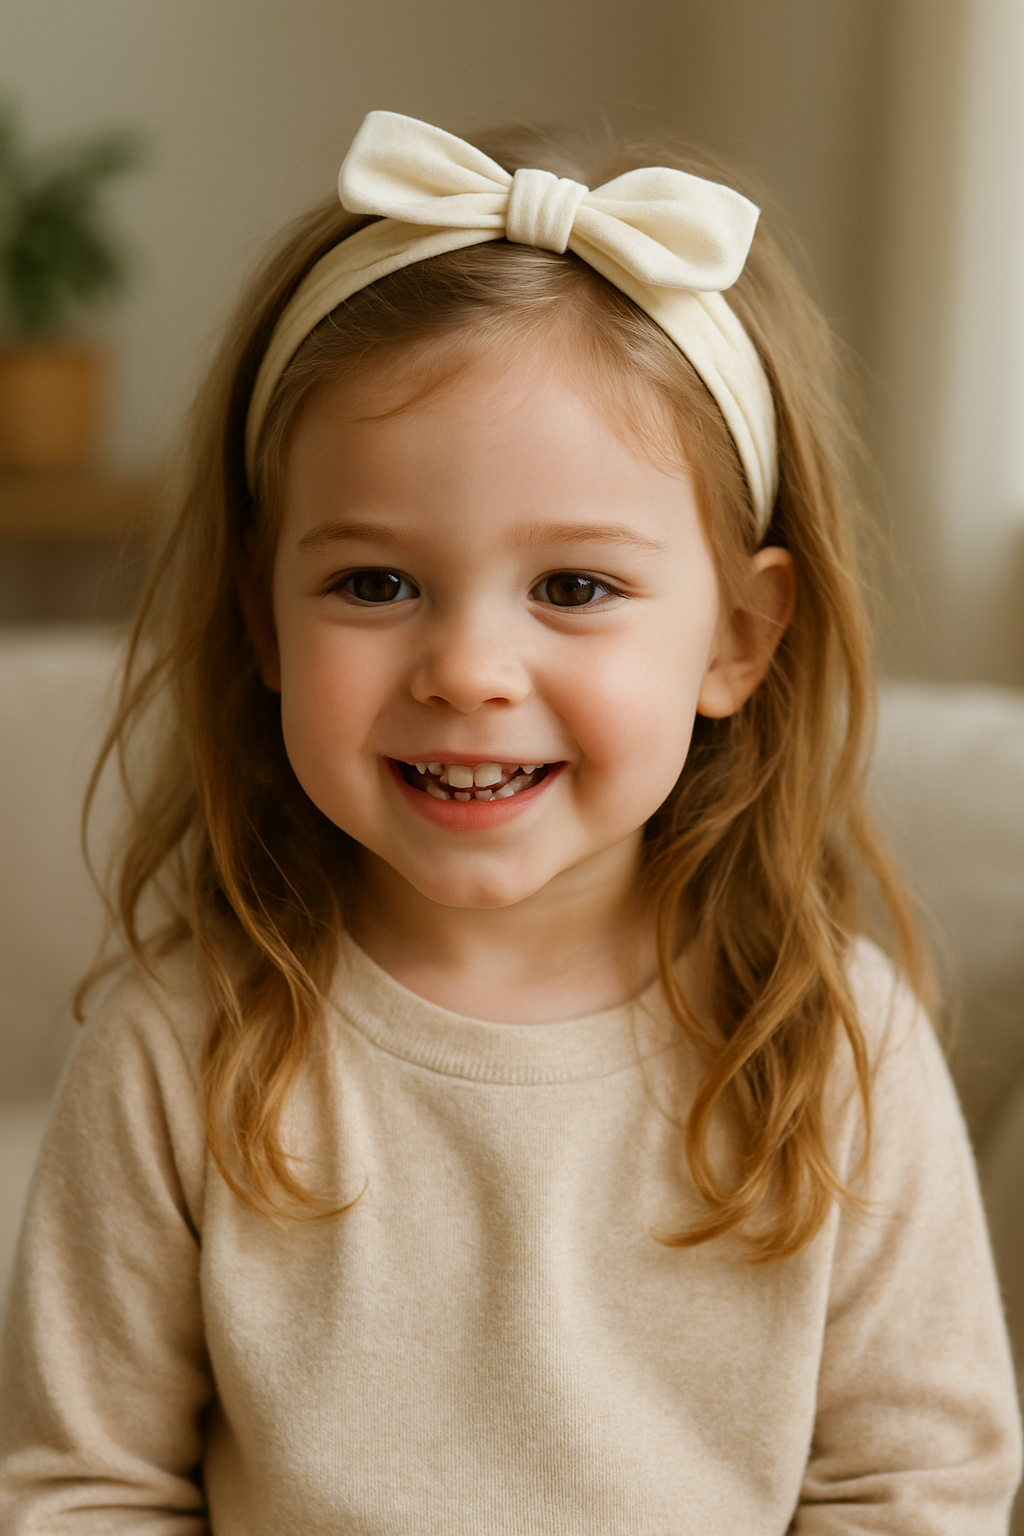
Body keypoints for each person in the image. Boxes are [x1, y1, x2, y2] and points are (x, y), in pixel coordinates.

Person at [0, 110, 1019, 1534]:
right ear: (264, 620)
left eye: (574, 588)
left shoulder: (836, 1050)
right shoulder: (176, 1050)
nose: (469, 669)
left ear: (738, 635)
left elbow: (920, 1491)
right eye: (374, 584)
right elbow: (79, 1488)